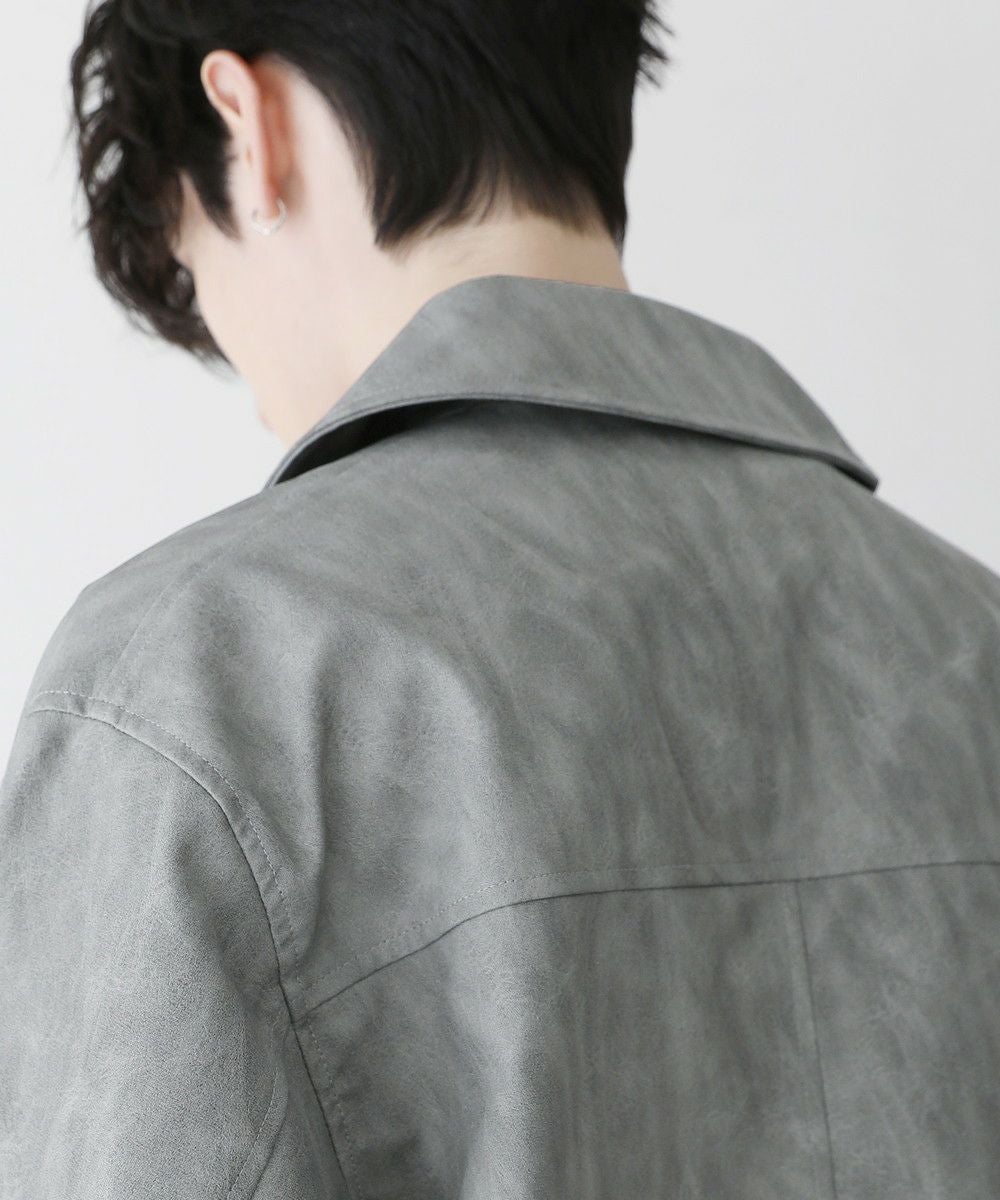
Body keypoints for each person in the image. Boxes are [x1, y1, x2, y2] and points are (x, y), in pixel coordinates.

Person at [2, 0, 998, 1196]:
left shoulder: (192, 684)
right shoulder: (969, 636)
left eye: (196, 274)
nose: (262, 397)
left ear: (248, 125)